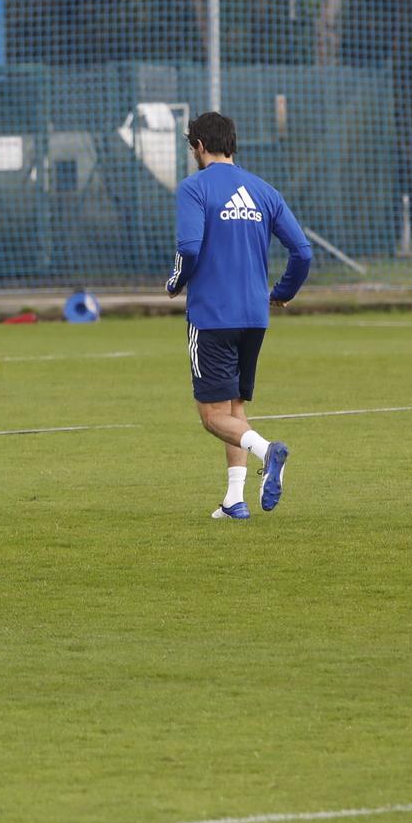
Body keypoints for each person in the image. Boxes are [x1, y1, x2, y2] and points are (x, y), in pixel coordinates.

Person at [165, 112, 311, 520]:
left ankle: (269, 451)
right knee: (234, 409)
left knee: (212, 417)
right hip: (254, 316)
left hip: (212, 315)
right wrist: (281, 294)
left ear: (197, 146)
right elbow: (302, 253)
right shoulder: (264, 190)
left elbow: (190, 248)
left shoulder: (194, 188)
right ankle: (234, 500)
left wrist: (175, 282)